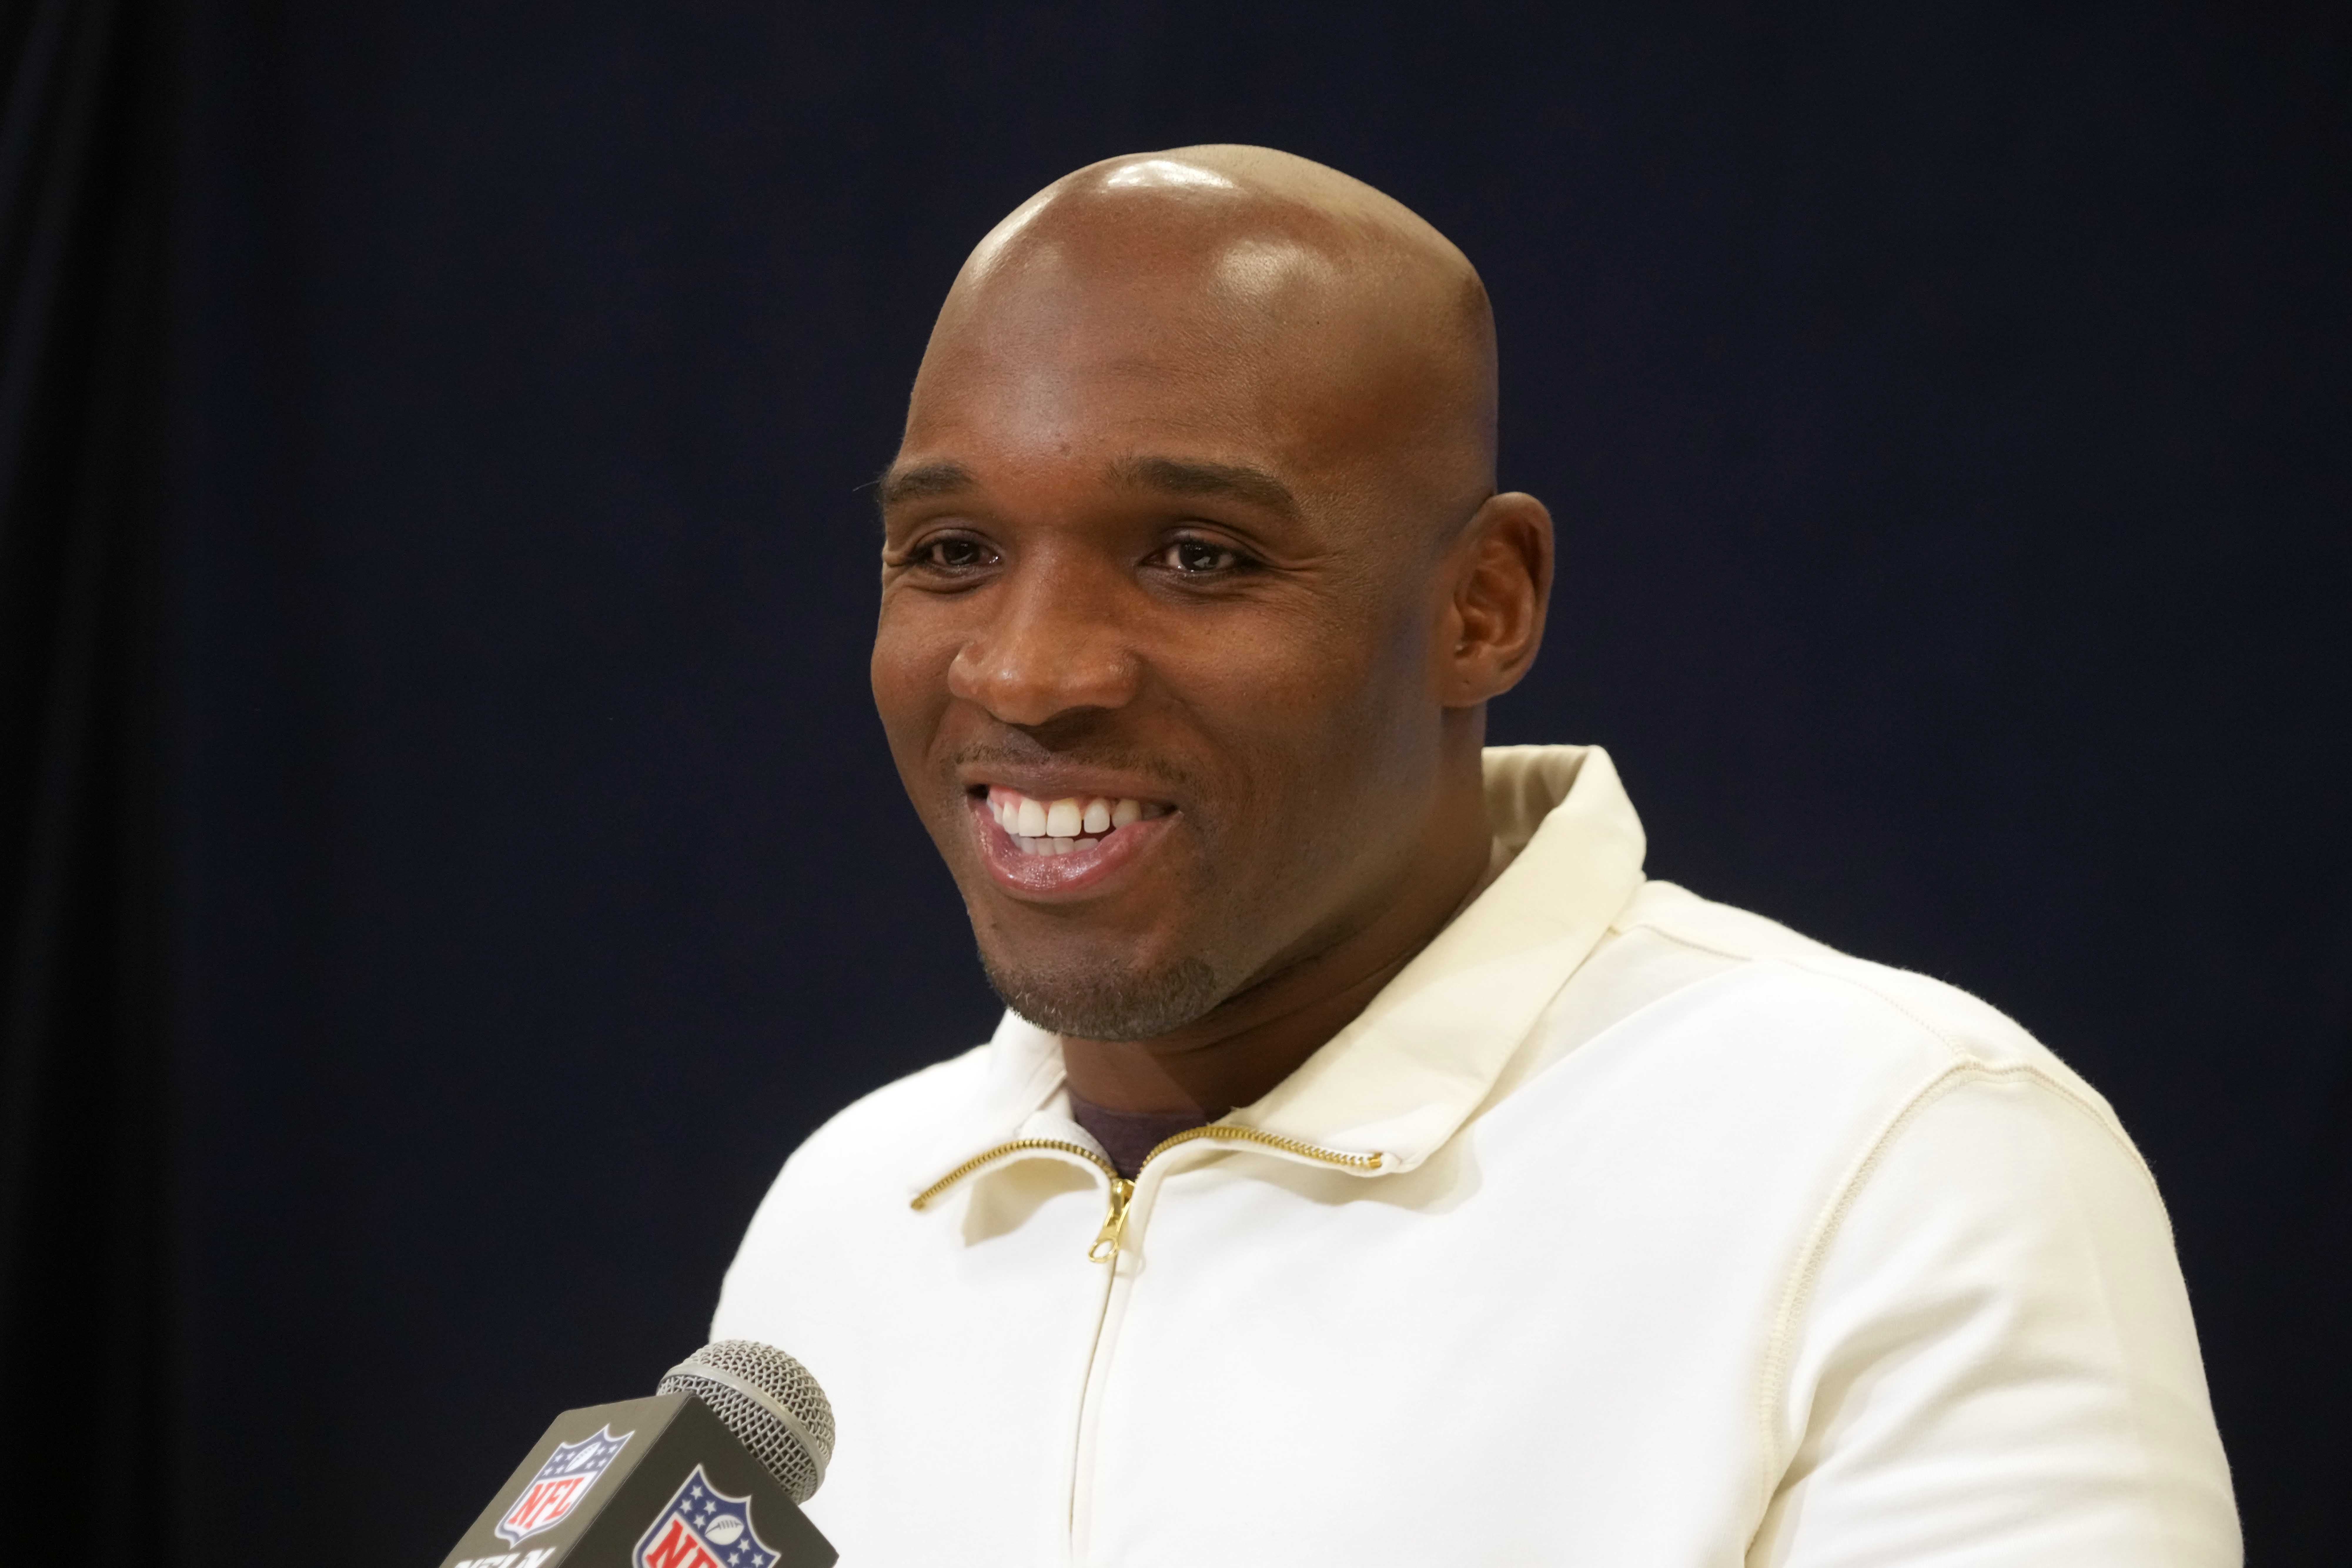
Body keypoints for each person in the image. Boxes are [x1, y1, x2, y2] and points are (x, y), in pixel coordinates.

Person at [712, 145, 2238, 1565]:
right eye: (952, 554)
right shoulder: (843, 1216)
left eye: (1198, 554)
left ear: (1482, 606)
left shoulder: (1898, 1158)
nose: (1029, 672)